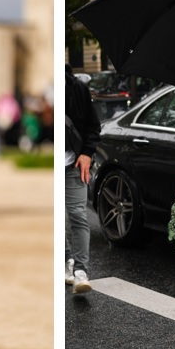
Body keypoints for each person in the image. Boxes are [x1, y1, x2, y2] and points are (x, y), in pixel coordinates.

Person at [65, 64, 100, 294]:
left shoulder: (77, 88)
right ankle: (65, 260)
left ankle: (80, 271)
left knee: (78, 215)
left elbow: (92, 125)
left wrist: (87, 152)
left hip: (73, 164)